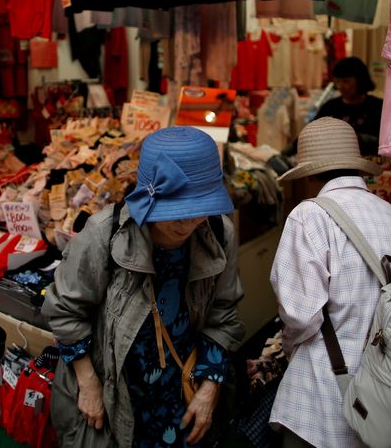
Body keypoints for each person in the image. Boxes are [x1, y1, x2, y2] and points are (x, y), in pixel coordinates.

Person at [42, 126, 245, 448]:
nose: (187, 224)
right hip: (117, 391)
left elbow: (223, 313)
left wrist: (210, 387)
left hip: (183, 389)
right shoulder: (104, 234)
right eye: (177, 212)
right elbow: (65, 311)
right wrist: (89, 383)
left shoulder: (219, 234)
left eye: (197, 211)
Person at [269, 117, 391, 448]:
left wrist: (290, 348)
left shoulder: (310, 216)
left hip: (321, 396)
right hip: (386, 392)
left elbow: (300, 315)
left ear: (309, 174)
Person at [315, 57, 383, 155]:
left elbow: (389, 142)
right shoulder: (330, 107)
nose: (340, 86)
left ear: (360, 80)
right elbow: (312, 135)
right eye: (337, 81)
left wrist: (362, 139)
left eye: (346, 81)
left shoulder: (377, 106)